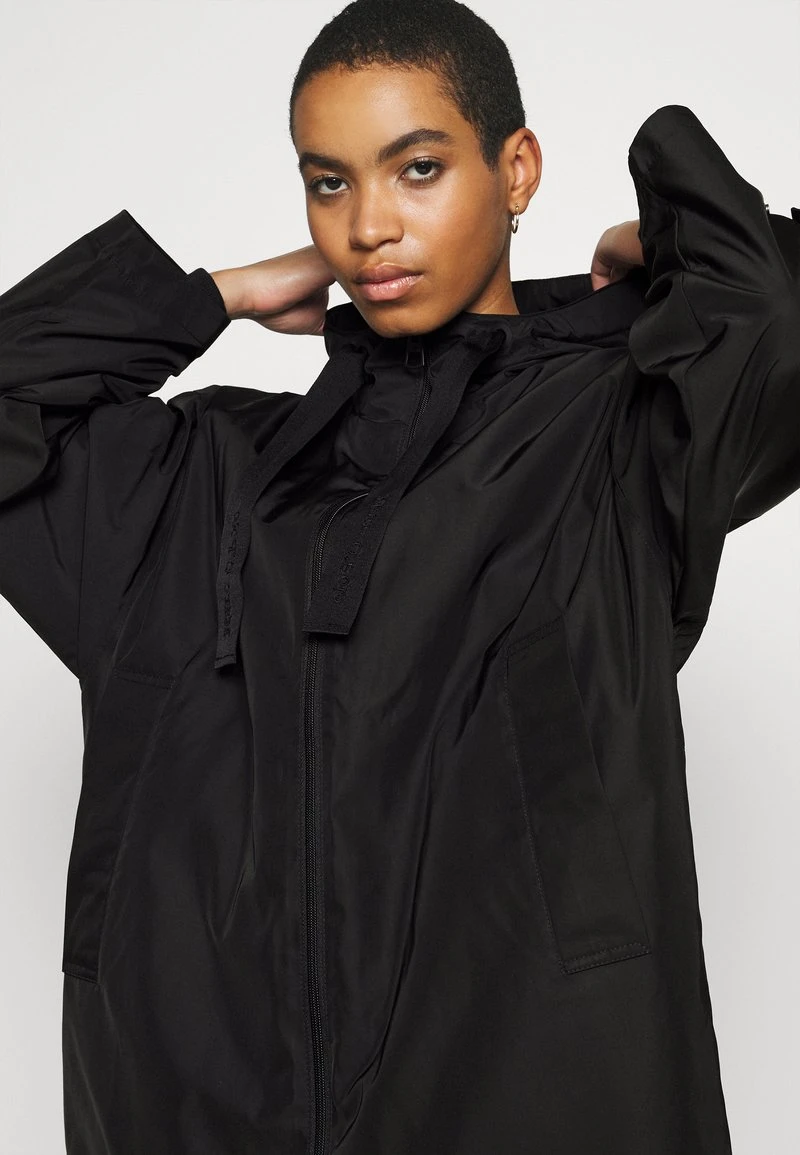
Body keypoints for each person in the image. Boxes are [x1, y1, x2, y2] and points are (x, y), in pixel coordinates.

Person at [1, 0, 798, 1152]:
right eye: (328, 182)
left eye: (416, 169)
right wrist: (211, 293)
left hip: (535, 1096)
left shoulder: (616, 431)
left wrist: (658, 246)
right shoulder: (201, 477)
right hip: (200, 1108)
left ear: (514, 171)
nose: (367, 225)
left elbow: (776, 324)